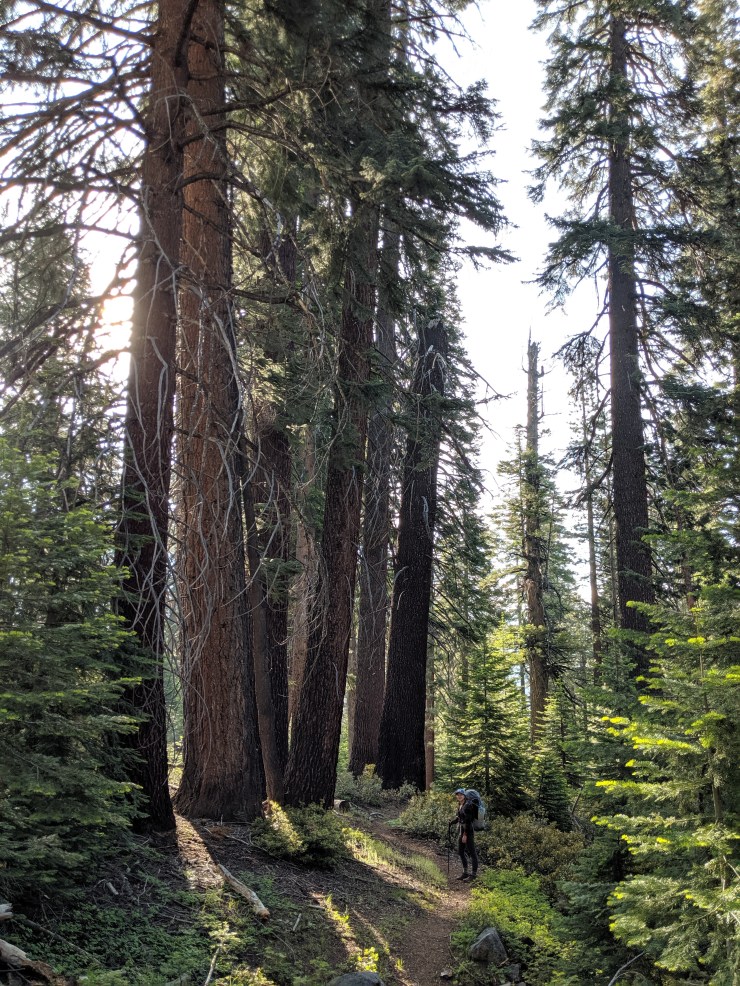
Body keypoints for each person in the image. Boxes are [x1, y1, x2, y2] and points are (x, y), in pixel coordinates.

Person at [450, 787, 478, 881]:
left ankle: (473, 875)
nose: (459, 796)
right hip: (462, 830)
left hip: (468, 831)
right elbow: (459, 818)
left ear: (464, 795)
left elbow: (469, 821)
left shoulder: (468, 806)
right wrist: (451, 822)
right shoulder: (460, 805)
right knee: (461, 852)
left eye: (461, 794)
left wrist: (465, 835)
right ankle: (465, 873)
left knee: (472, 852)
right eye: (457, 795)